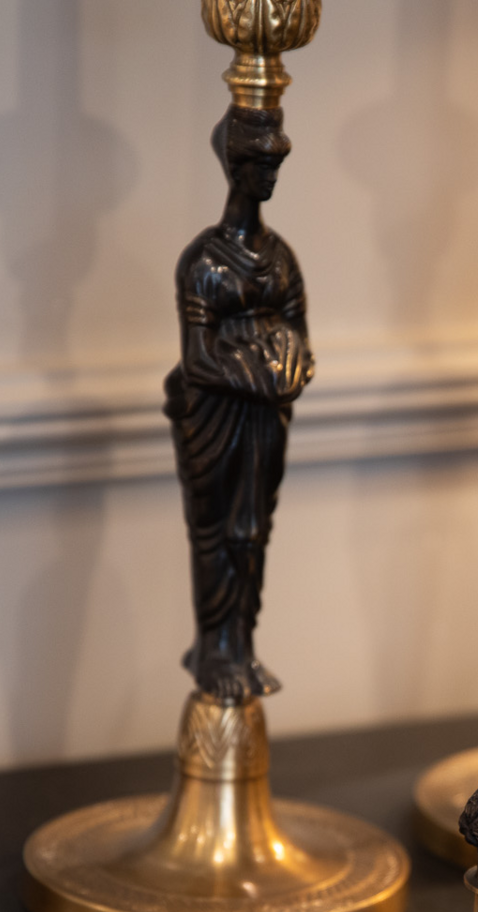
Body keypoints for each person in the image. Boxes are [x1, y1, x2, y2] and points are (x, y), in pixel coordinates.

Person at [165, 106, 313, 702]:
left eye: (276, 164)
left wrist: (291, 367)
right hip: (213, 420)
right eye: (261, 164)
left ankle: (241, 645)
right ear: (235, 166)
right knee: (214, 531)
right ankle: (214, 649)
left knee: (252, 531)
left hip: (265, 420)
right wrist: (261, 371)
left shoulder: (281, 258)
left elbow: (302, 339)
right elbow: (198, 360)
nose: (271, 175)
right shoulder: (204, 261)